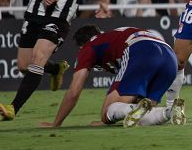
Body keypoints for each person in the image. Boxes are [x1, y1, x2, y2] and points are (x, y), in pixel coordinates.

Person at [40, 25, 184, 128]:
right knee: (144, 112)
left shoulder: (89, 46)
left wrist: (56, 123)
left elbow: (74, 91)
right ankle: (170, 112)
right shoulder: (113, 36)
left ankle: (131, 109)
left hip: (141, 51)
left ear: (81, 46)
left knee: (106, 113)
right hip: (169, 57)